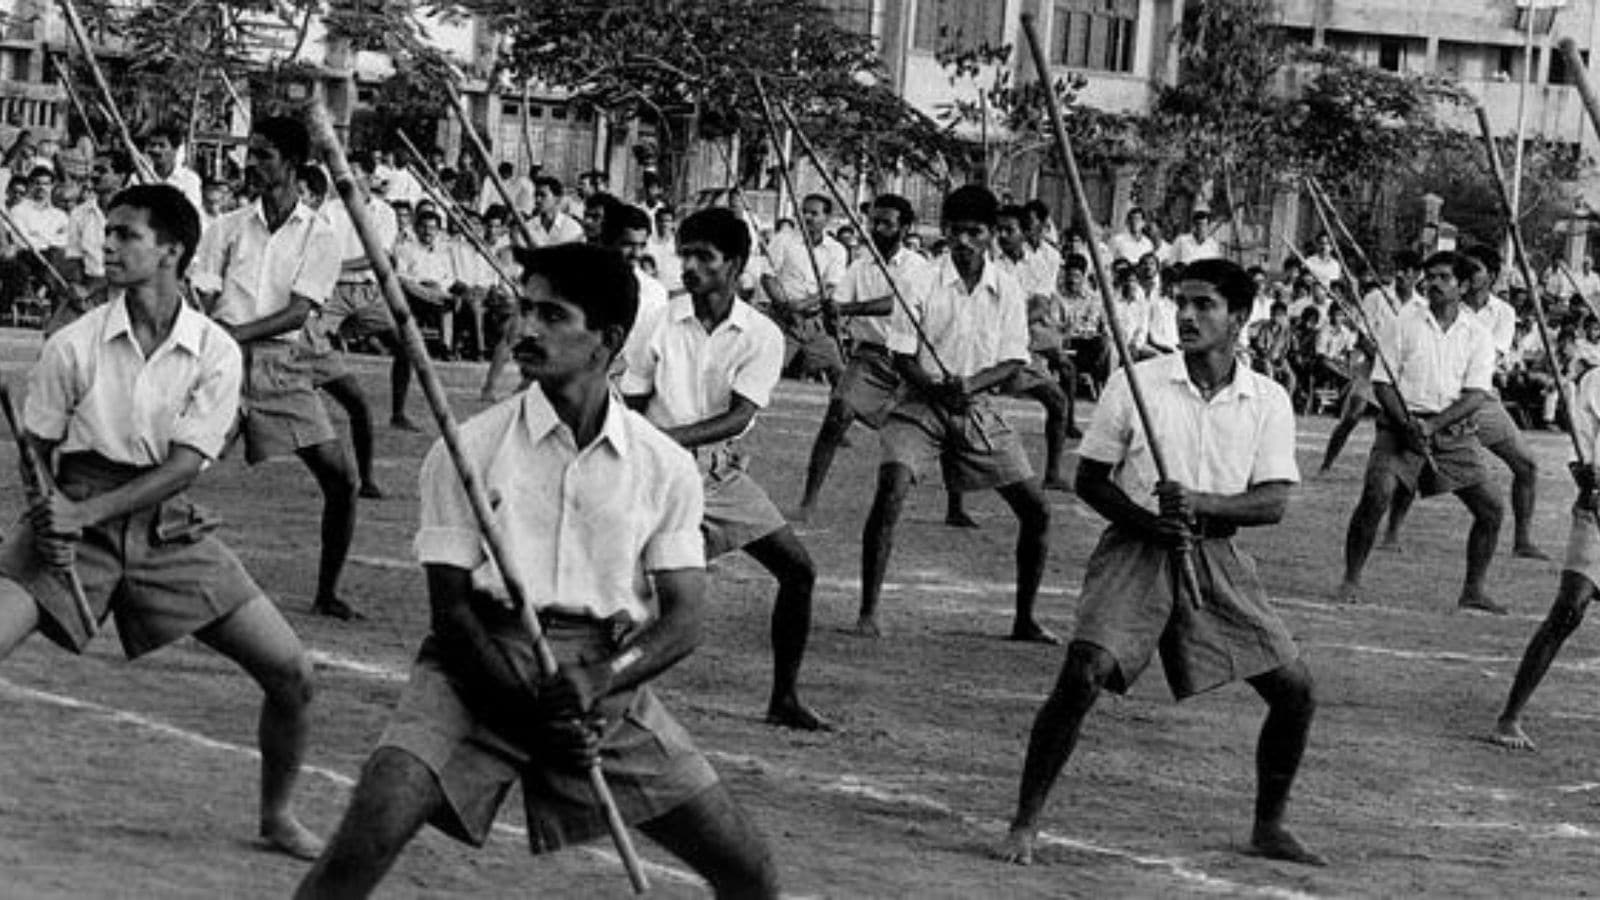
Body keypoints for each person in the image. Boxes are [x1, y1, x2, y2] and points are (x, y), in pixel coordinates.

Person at [294, 243, 781, 899]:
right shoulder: (468, 448)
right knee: (370, 827)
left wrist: (601, 680)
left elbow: (685, 619)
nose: (524, 328)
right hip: (475, 667)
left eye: (552, 315)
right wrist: (532, 711)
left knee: (751, 872)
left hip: (600, 682)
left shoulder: (664, 466)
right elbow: (451, 612)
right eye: (524, 309)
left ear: (608, 339)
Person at [0, 183, 321, 859]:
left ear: (172, 250)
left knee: (293, 672)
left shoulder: (216, 350)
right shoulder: (72, 343)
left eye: (127, 235)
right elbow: (37, 448)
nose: (109, 245)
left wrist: (86, 512)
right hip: (74, 510)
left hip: (165, 524)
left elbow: (183, 467)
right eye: (108, 233)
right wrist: (51, 510)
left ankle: (278, 816)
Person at [995, 259, 1323, 868]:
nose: (1188, 316)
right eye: (1182, 304)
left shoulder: (1268, 399)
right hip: (1136, 547)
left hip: (1215, 553)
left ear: (1239, 318)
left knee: (1296, 690)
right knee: (1083, 673)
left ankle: (1269, 826)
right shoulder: (1136, 382)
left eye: (1205, 305)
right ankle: (1025, 822)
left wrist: (1201, 504)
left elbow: (1273, 501)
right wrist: (1149, 521)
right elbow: (1091, 480)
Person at [621, 206, 830, 731]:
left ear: (735, 265)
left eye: (704, 257)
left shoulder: (761, 334)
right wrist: (645, 452)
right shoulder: (658, 320)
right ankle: (605, 693)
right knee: (628, 590)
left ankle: (784, 698)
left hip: (718, 473)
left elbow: (739, 416)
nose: (689, 266)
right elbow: (633, 400)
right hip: (656, 475)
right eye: (684, 254)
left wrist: (669, 441)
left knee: (798, 571)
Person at [856, 185, 1055, 642]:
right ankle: (868, 609)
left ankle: (1024, 619)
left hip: (975, 404)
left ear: (991, 235)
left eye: (975, 232)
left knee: (1038, 511)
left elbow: (1013, 359)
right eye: (957, 231)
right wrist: (935, 388)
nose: (964, 241)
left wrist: (971, 385)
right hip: (919, 402)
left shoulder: (1008, 288)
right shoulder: (919, 281)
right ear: (944, 231)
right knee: (891, 488)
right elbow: (901, 354)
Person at [190, 116, 361, 621]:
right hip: (222, 365)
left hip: (280, 366)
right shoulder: (226, 227)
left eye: (264, 155)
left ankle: (327, 592)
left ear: (292, 164)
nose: (251, 163)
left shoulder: (320, 234)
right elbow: (203, 290)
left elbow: (298, 312)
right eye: (251, 152)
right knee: (172, 467)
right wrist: (212, 335)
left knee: (342, 480)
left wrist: (233, 335)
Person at [1336, 251, 1505, 614]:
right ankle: (1351, 577)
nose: (1434, 284)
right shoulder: (1403, 323)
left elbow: (1476, 394)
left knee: (1491, 509)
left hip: (1452, 431)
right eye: (1431, 277)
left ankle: (1473, 589)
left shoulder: (1477, 334)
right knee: (1377, 494)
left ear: (1463, 286)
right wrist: (1406, 423)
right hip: (1400, 425)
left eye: (1444, 277)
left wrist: (1432, 426)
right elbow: (1382, 383)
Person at [795, 193, 933, 522]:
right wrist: (832, 312)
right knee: (837, 413)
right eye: (874, 222)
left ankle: (956, 505)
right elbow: (839, 305)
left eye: (887, 223)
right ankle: (809, 499)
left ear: (904, 228)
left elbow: (897, 305)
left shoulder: (918, 266)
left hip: (912, 358)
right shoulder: (859, 266)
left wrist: (848, 309)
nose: (877, 229)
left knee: (942, 425)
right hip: (871, 356)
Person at [1494, 356, 1600, 750]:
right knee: (1570, 607)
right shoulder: (1596, 382)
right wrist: (1586, 477)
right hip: (1596, 511)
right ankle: (1510, 717)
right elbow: (1584, 453)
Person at [294, 162, 388, 500]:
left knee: (357, 404)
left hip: (311, 337)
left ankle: (366, 479)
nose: (296, 199)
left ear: (316, 197)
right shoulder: (286, 230)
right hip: (285, 341)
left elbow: (371, 259)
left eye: (302, 193)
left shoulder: (319, 230)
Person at [310, 150, 419, 439]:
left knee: (405, 347)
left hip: (370, 292)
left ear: (370, 177)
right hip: (333, 292)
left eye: (354, 171)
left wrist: (337, 265)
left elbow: (378, 256)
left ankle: (398, 413)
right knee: (308, 346)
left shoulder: (385, 213)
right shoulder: (330, 210)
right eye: (344, 171)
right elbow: (320, 251)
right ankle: (308, 411)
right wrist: (334, 268)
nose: (346, 177)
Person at [1320, 251, 1422, 473]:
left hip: (1401, 374)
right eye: (1399, 269)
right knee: (1352, 415)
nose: (1401, 275)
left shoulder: (1422, 306)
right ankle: (1327, 463)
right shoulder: (1376, 298)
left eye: (1407, 271)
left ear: (1417, 275)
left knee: (1398, 422)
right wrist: (1379, 357)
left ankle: (1392, 467)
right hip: (1371, 367)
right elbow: (1362, 336)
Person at [761, 193, 848, 383]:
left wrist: (802, 306)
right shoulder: (783, 240)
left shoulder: (837, 250)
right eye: (804, 212)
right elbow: (768, 277)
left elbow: (831, 287)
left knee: (840, 373)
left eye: (814, 213)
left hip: (813, 323)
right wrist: (785, 306)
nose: (807, 217)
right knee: (765, 371)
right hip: (783, 319)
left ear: (827, 218)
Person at [395, 206, 463, 360]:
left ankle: (445, 347)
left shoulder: (443, 252)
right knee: (446, 300)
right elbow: (401, 277)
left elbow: (449, 277)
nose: (428, 232)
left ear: (438, 231)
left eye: (432, 228)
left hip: (438, 292)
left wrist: (438, 287)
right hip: (414, 294)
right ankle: (440, 299)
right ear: (416, 228)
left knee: (446, 303)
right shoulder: (405, 249)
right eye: (424, 227)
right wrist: (425, 286)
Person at [141, 126, 204, 214]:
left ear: (175, 150)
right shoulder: (139, 177)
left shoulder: (189, 179)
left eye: (161, 146)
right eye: (152, 145)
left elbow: (192, 213)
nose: (155, 150)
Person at [528, 176, 585, 246]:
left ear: (558, 199)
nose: (537, 200)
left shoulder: (573, 228)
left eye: (543, 195)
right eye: (536, 195)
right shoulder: (528, 227)